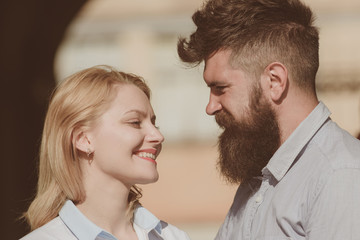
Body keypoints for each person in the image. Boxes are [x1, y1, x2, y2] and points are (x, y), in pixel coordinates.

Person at [177, 0, 360, 239]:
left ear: (274, 81)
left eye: (220, 88)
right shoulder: (260, 179)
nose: (210, 107)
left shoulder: (340, 176)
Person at [21, 65, 190, 240]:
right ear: (83, 139)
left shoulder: (173, 237)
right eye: (135, 122)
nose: (158, 136)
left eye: (154, 123)